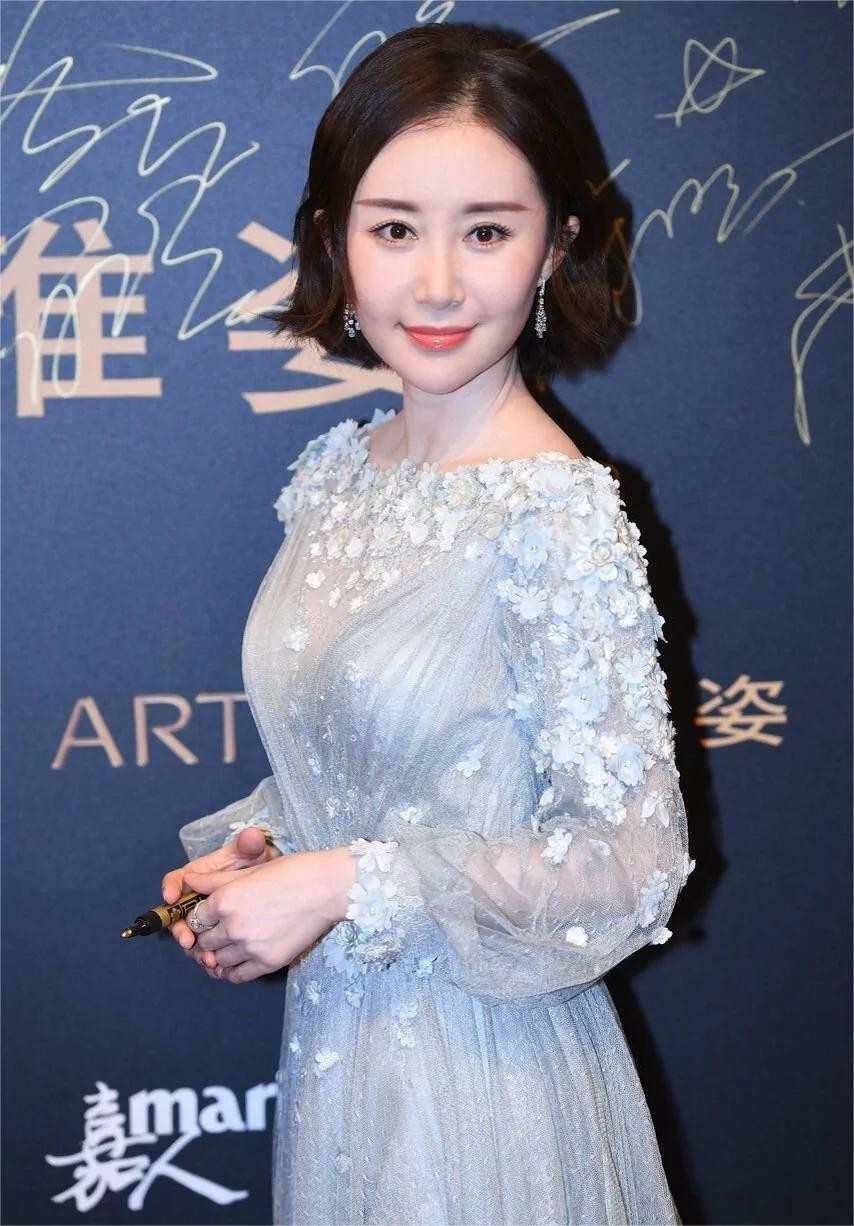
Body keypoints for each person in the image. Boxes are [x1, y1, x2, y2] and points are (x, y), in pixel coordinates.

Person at [161, 22, 695, 1226]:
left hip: (490, 1082)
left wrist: (345, 881)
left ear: (556, 245)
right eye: (394, 228)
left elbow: (628, 864)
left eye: (487, 231)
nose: (439, 283)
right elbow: (376, 767)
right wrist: (261, 851)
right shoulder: (340, 471)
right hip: (349, 1066)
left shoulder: (557, 514)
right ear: (332, 242)